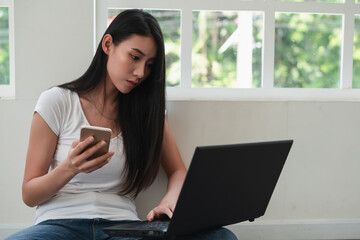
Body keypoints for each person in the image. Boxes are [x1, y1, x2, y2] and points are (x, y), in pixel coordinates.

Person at [6, 9, 238, 240]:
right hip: (58, 226)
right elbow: (29, 194)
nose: (140, 73)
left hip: (121, 228)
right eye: (135, 57)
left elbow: (178, 170)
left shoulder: (147, 114)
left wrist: (168, 203)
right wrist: (70, 168)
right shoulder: (57, 101)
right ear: (108, 45)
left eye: (149, 64)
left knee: (222, 237)